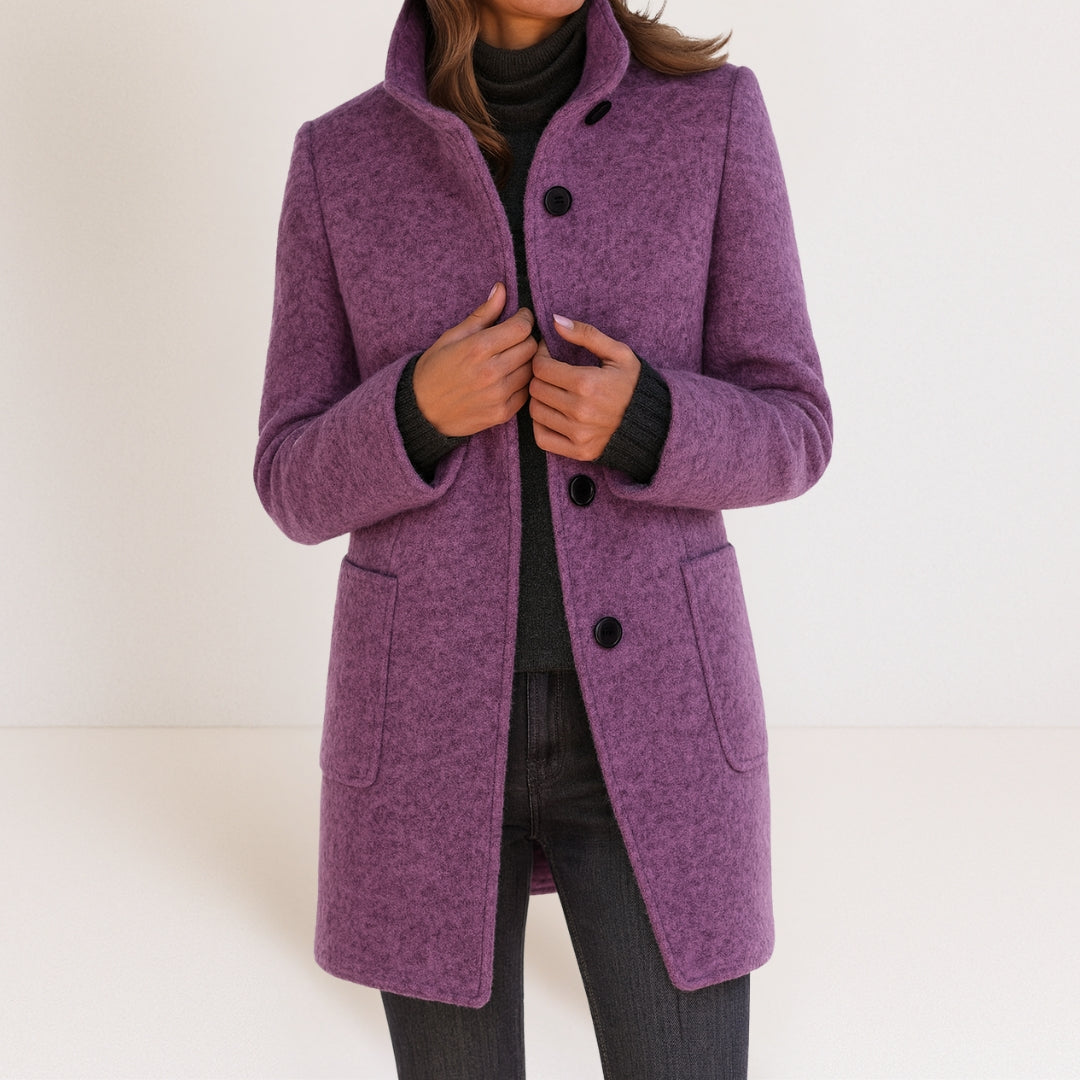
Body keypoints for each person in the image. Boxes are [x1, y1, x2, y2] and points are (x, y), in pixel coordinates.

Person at [254, 0, 832, 1075]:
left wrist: (650, 421)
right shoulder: (342, 159)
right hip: (424, 743)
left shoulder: (711, 119)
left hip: (660, 727)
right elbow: (288, 478)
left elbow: (797, 428)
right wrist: (413, 412)